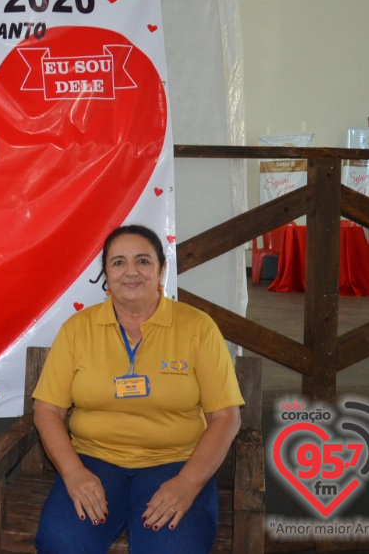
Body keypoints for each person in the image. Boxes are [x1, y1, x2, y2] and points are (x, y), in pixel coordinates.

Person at [32, 225, 243, 554]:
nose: (130, 271)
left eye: (143, 261)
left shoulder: (198, 327)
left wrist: (188, 484)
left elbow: (226, 417)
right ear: (106, 273)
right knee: (63, 542)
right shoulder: (77, 329)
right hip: (94, 461)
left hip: (176, 462)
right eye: (118, 262)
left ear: (162, 269)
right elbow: (47, 409)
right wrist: (73, 473)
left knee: (172, 549)